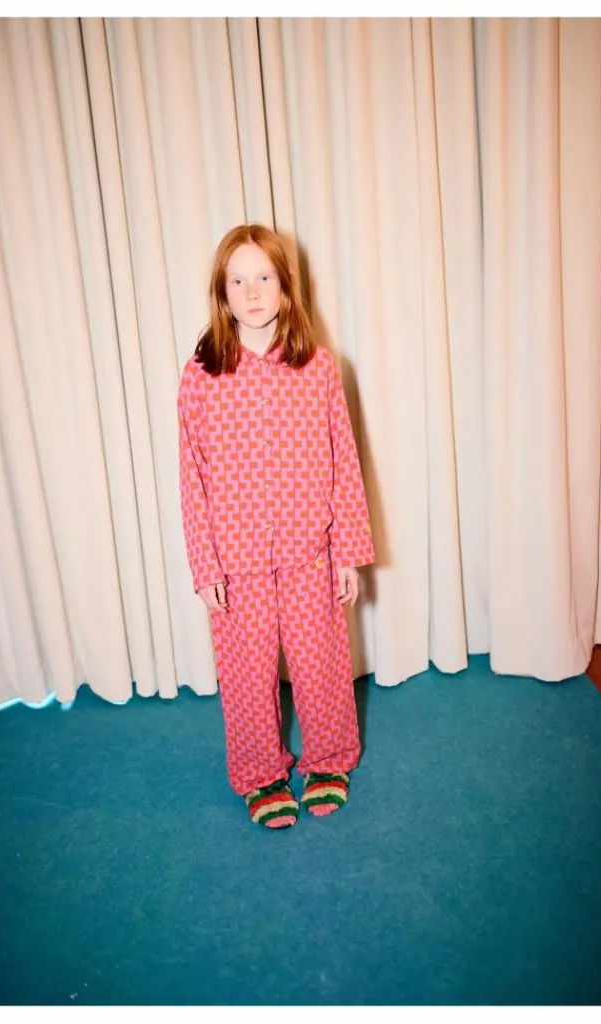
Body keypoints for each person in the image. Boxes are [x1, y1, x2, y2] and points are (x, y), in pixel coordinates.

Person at [177, 223, 376, 830]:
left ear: (286, 286)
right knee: (247, 674)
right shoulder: (201, 375)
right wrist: (205, 566)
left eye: (264, 277)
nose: (253, 291)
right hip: (235, 561)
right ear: (222, 292)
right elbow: (192, 475)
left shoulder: (318, 368)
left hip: (310, 551)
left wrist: (348, 551)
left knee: (320, 665)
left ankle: (329, 760)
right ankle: (261, 773)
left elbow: (343, 458)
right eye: (238, 280)